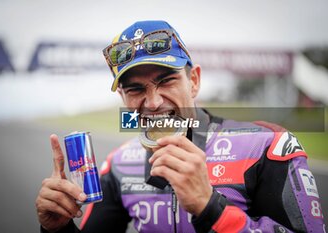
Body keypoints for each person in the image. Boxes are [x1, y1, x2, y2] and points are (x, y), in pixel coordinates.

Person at [36, 20, 325, 233]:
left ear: (195, 81)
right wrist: (58, 229)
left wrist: (211, 208)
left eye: (166, 81)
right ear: (123, 98)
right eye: (135, 89)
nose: (152, 102)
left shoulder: (266, 145)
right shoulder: (119, 165)